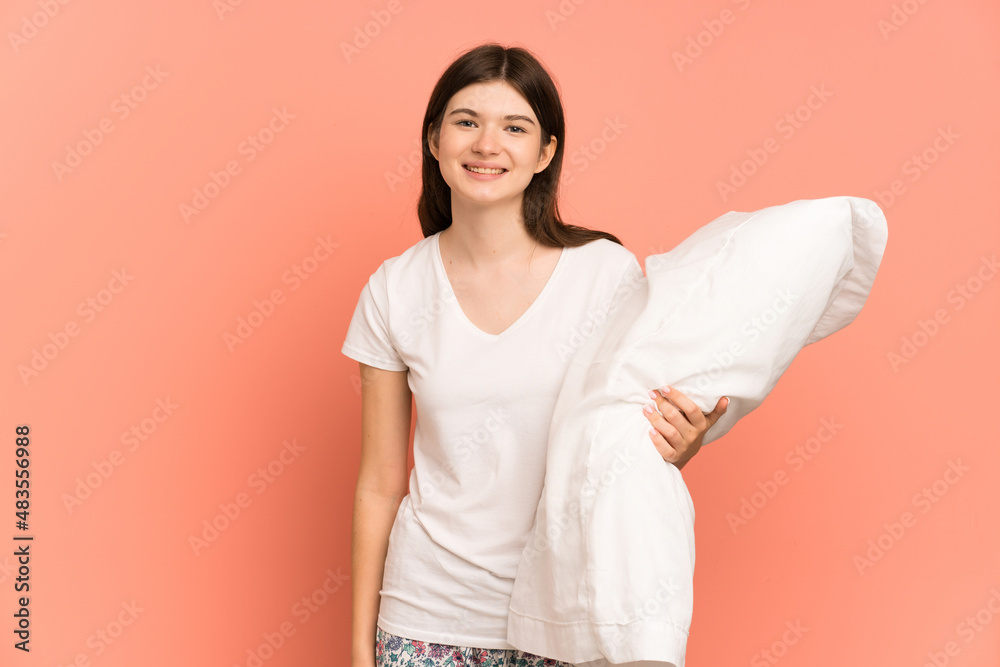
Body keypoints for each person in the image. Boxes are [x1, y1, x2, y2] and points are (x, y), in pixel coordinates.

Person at [342, 42, 729, 667]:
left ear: (546, 152)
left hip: (568, 613)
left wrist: (678, 447)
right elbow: (379, 485)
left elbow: (627, 446)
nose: (486, 144)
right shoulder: (395, 288)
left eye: (514, 127)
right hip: (427, 619)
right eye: (467, 121)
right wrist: (362, 648)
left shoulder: (604, 275)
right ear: (434, 139)